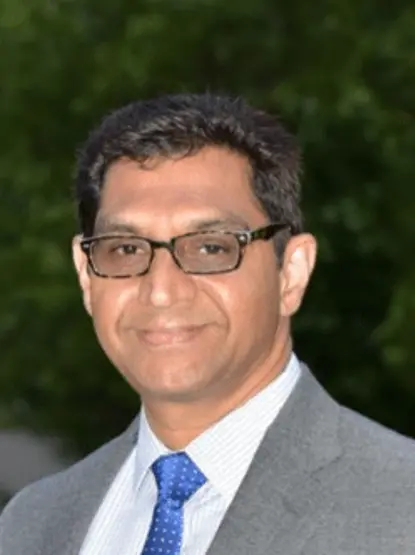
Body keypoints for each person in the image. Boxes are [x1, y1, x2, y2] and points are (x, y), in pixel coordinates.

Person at [1, 93, 415, 555]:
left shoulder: (401, 509)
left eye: (211, 247)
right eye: (126, 249)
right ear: (86, 274)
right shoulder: (31, 525)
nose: (161, 290)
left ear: (291, 273)